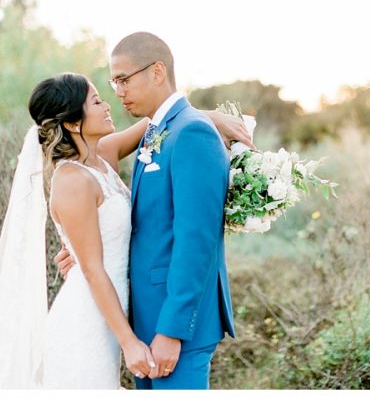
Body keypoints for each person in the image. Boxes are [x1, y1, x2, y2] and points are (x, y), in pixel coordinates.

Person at [0, 71, 251, 389]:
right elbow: (92, 270)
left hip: (119, 311)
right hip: (88, 317)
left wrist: (209, 115)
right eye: (95, 101)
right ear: (73, 123)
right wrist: (128, 342)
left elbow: (162, 121)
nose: (108, 104)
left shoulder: (103, 155)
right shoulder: (72, 181)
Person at [55, 32, 236, 389]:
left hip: (175, 324)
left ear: (156, 72)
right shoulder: (157, 131)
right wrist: (82, 251)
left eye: (124, 80)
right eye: (113, 82)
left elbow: (196, 242)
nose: (117, 93)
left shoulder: (191, 133)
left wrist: (171, 330)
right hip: (144, 318)